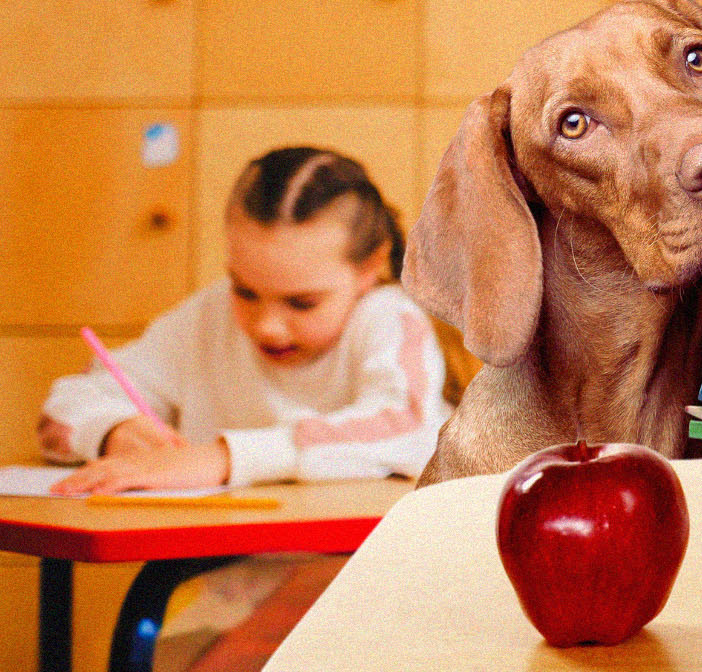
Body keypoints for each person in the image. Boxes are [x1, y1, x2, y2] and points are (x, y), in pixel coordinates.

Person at [37, 147, 451, 672]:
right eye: (246, 291)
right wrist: (114, 431)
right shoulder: (209, 317)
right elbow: (62, 411)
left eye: (301, 303)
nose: (267, 326)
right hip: (221, 589)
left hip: (368, 588)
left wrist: (224, 457)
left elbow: (409, 428)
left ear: (370, 267)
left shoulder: (389, 318)